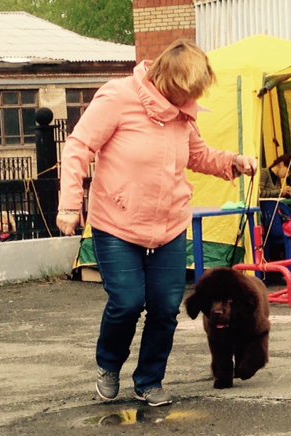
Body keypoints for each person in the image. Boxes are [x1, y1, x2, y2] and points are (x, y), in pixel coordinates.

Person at [55, 39, 256, 407]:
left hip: (169, 225)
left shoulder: (183, 112)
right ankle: (109, 365)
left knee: (165, 308)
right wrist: (70, 204)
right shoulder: (118, 98)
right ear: (166, 78)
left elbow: (197, 154)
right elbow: (78, 146)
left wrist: (233, 162)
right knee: (128, 302)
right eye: (184, 93)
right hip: (117, 223)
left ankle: (149, 380)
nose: (188, 102)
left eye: (193, 95)